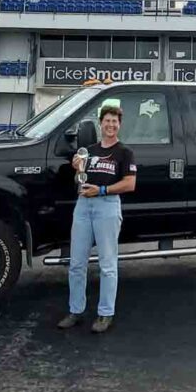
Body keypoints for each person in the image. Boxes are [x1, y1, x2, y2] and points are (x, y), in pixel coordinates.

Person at [57, 104, 136, 334]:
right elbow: (80, 181)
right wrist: (77, 170)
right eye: (107, 121)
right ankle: (75, 310)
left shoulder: (124, 152)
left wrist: (101, 190)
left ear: (119, 125)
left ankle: (105, 314)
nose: (110, 125)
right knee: (76, 264)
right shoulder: (88, 151)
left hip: (107, 206)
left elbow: (130, 184)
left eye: (115, 122)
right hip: (83, 206)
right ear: (100, 123)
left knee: (107, 265)